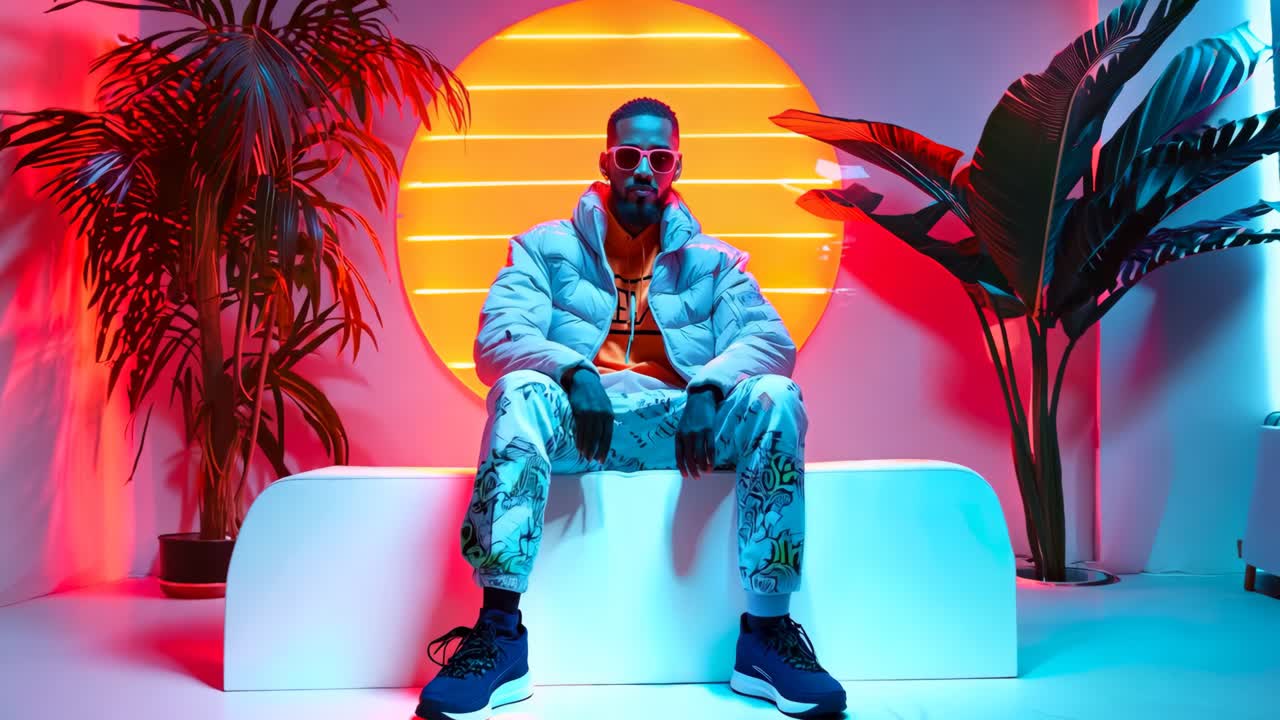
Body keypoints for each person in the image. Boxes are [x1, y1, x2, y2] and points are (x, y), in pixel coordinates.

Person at [415, 97, 845, 720]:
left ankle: (767, 638)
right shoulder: (543, 248)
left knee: (776, 395)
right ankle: (499, 635)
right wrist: (573, 371)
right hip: (581, 429)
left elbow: (771, 343)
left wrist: (709, 387)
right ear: (607, 161)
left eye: (659, 157)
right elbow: (496, 339)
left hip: (683, 429)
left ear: (675, 167)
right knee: (517, 392)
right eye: (629, 155)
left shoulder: (716, 262)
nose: (643, 167)